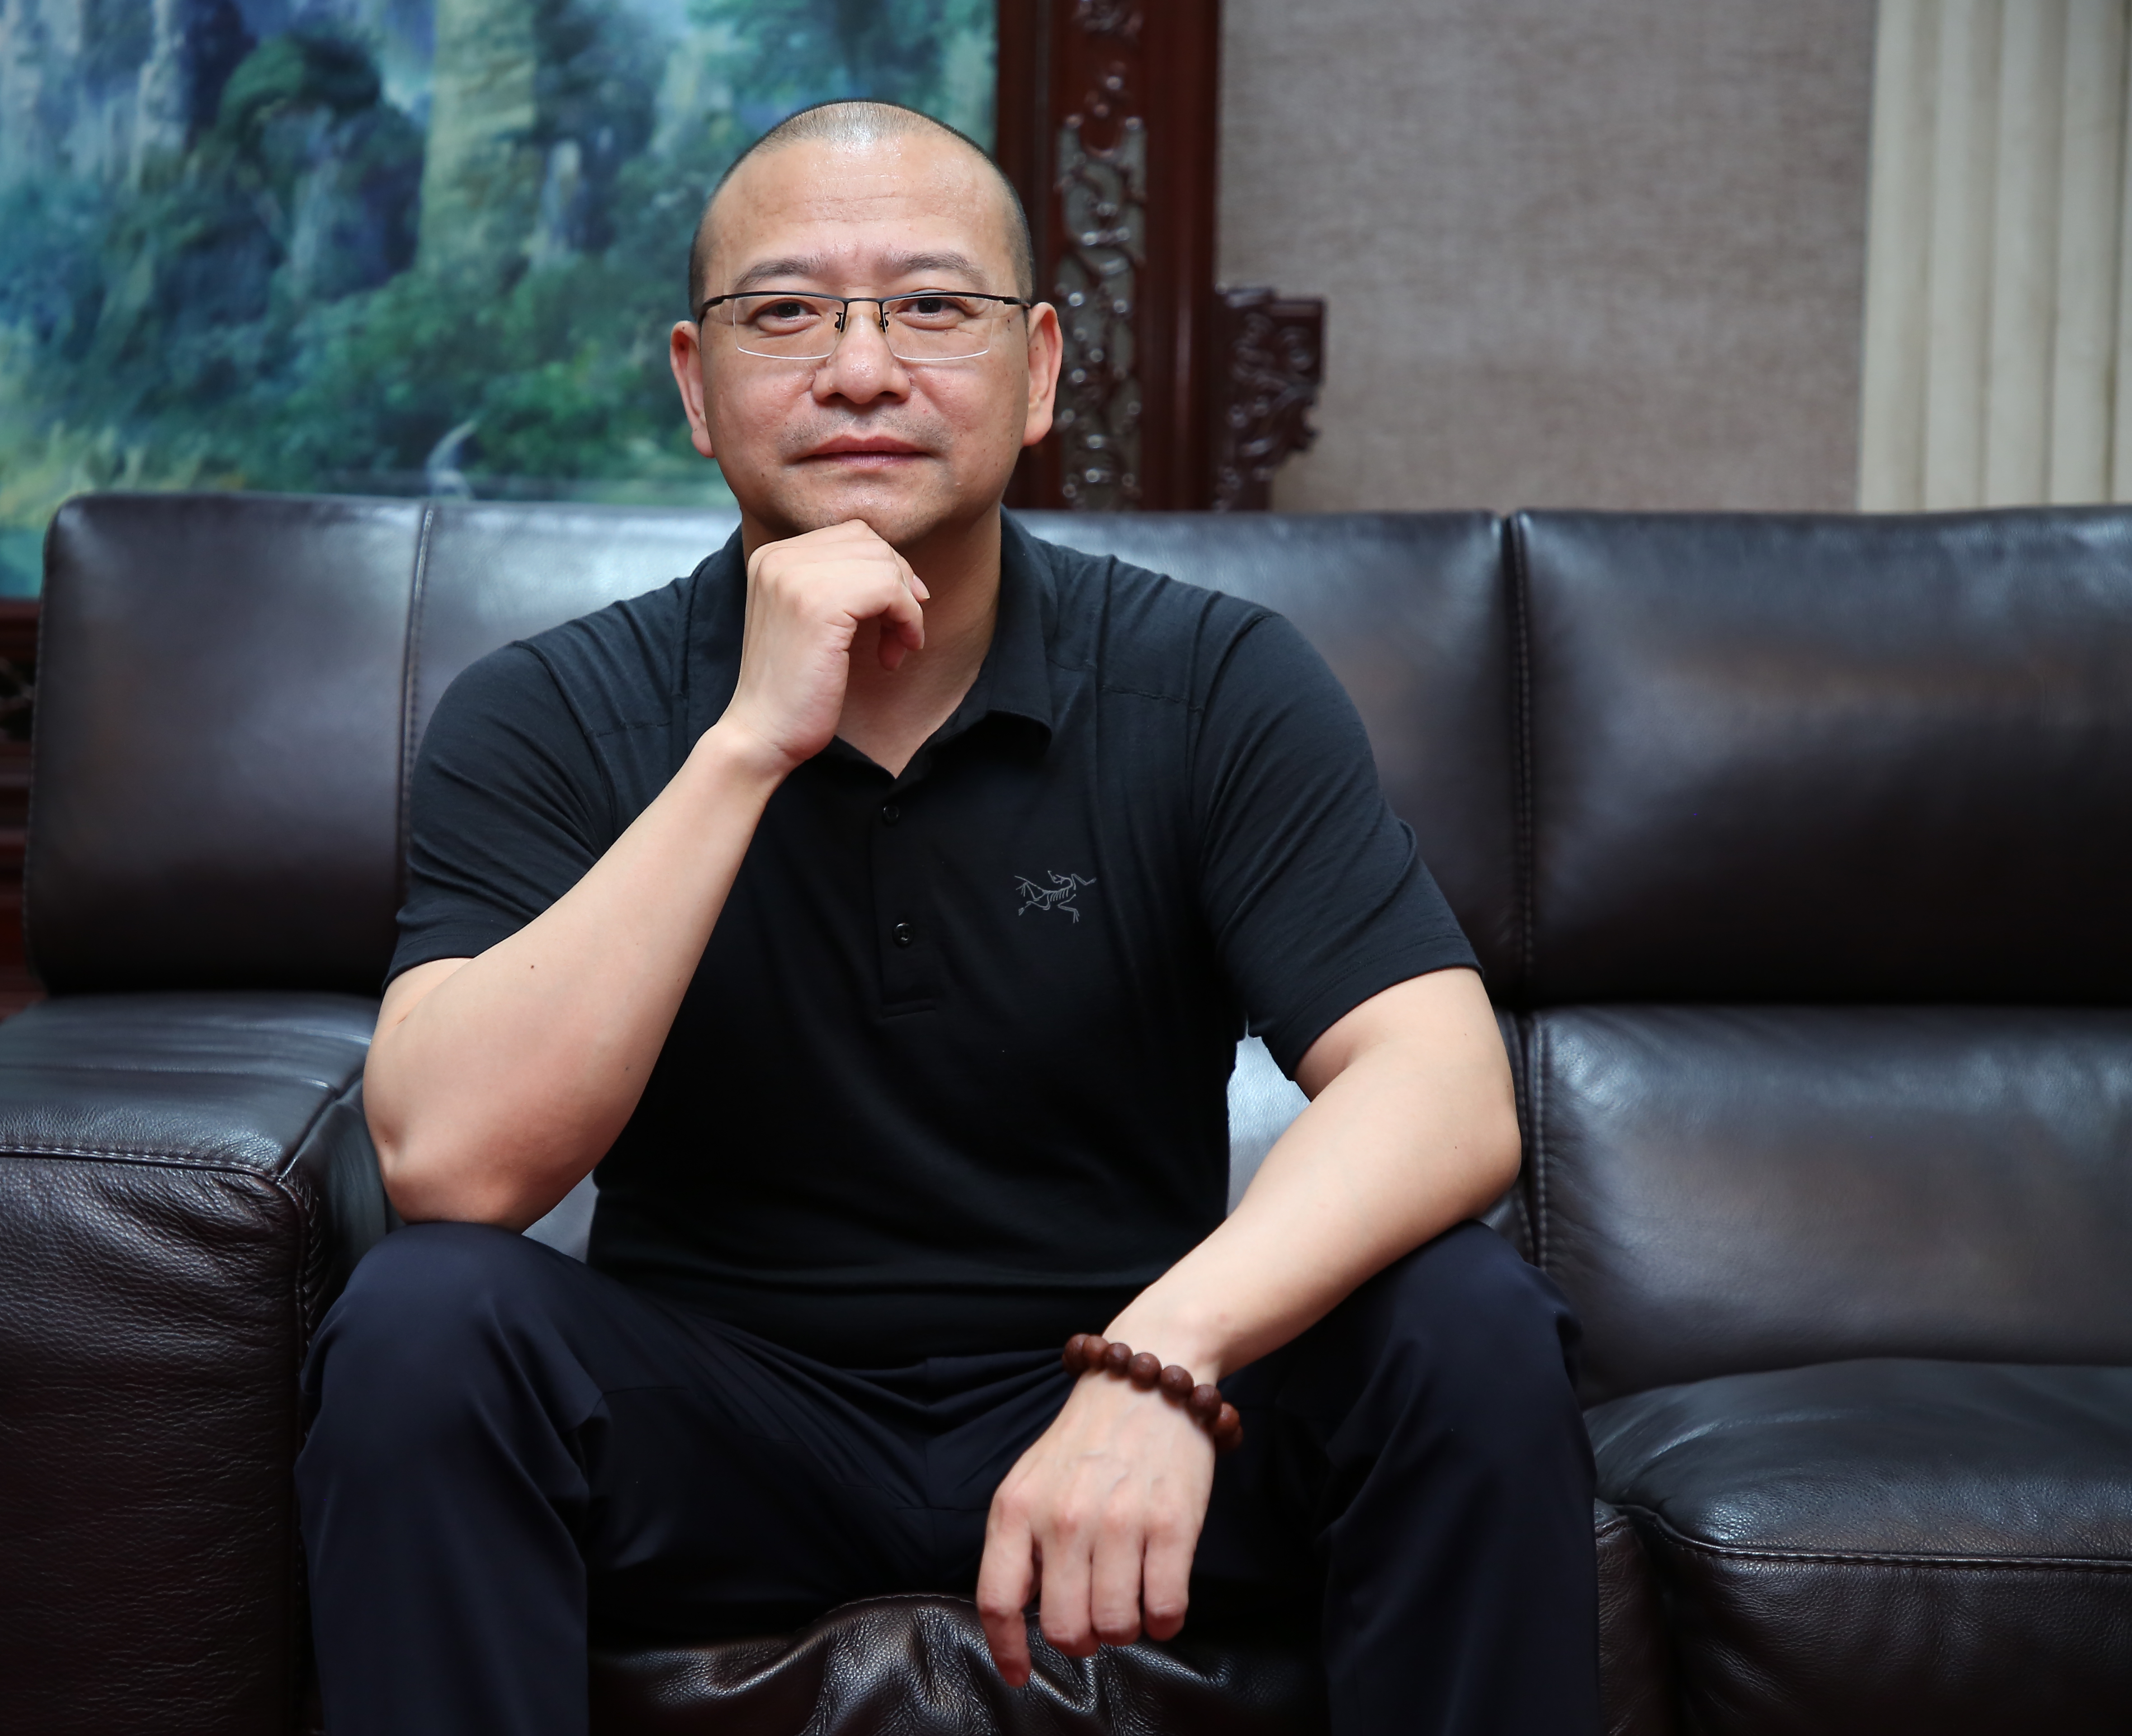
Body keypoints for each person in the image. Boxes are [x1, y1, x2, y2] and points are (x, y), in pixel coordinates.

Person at [298, 99, 1596, 1736]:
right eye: (786, 314)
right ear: (696, 385)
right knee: (423, 1327)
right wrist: (746, 744)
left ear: (1039, 371)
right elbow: (453, 1168)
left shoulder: (1211, 683)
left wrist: (1161, 1361)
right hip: (720, 1424)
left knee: (1467, 1324)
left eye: (931, 306)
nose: (860, 370)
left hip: (1125, 1410)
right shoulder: (548, 712)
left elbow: (1445, 1089)